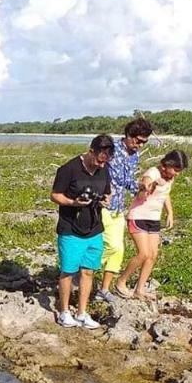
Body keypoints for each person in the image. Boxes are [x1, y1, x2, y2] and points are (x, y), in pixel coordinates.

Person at [51, 134, 114, 328]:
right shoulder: (69, 169)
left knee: (88, 271)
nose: (101, 165)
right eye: (98, 160)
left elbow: (108, 191)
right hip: (71, 229)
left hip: (94, 228)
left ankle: (82, 313)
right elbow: (55, 195)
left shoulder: (104, 169)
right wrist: (73, 202)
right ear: (91, 151)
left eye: (105, 161)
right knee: (68, 271)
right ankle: (64, 312)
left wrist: (106, 200)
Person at [115, 149, 188, 299]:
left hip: (154, 219)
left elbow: (166, 195)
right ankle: (121, 282)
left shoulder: (170, 178)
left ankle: (139, 289)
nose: (176, 173)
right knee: (143, 254)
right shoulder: (153, 173)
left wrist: (170, 213)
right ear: (167, 165)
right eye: (175, 169)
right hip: (138, 217)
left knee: (153, 255)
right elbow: (144, 187)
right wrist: (149, 185)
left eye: (179, 171)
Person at [97, 118, 153, 302]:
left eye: (144, 142)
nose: (140, 145)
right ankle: (81, 271)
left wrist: (140, 186)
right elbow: (96, 167)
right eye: (138, 140)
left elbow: (127, 181)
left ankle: (103, 289)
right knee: (110, 246)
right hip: (103, 206)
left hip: (119, 208)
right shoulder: (111, 149)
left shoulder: (134, 155)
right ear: (129, 136)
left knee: (119, 249)